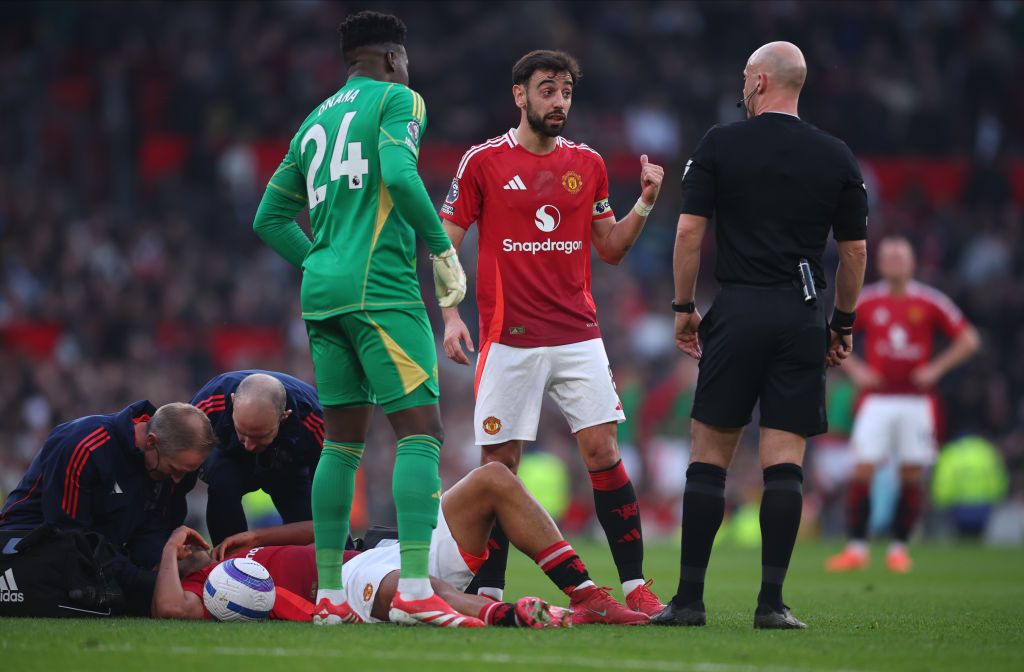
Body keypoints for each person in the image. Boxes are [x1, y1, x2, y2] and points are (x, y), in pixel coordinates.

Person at [251, 10, 468, 627]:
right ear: (394, 59)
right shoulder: (400, 99)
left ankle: (326, 598)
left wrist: (319, 259)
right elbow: (400, 174)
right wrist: (441, 248)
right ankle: (419, 589)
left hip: (322, 298)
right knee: (421, 432)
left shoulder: (313, 120)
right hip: (382, 289)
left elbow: (267, 218)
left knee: (342, 446)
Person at [438, 49, 667, 617]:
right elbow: (445, 242)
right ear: (519, 95)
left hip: (577, 335)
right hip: (507, 338)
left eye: (565, 91)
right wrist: (449, 315)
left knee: (602, 450)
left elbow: (610, 250)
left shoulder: (587, 164)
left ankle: (636, 584)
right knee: (499, 468)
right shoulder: (482, 162)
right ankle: (489, 592)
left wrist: (644, 202)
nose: (558, 101)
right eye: (547, 90)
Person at [655, 41, 868, 629]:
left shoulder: (721, 143)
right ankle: (771, 604)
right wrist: (841, 323)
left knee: (708, 460)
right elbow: (853, 251)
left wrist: (681, 307)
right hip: (800, 315)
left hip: (739, 309)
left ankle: (690, 601)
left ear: (758, 81)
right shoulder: (835, 155)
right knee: (784, 464)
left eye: (744, 76)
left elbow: (689, 234)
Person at [153, 463, 648, 626]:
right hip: (347, 585)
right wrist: (167, 549)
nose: (186, 541)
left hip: (375, 550)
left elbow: (326, 531)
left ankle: (588, 597)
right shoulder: (204, 586)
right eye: (178, 543)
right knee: (418, 588)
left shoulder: (232, 555)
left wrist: (259, 535)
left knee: (493, 478)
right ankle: (517, 616)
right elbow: (170, 609)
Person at [826, 236, 980, 572]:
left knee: (911, 475)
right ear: (879, 263)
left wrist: (936, 368)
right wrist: (856, 370)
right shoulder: (867, 300)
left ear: (912, 263)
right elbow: (831, 336)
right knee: (862, 470)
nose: (895, 261)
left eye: (901, 256)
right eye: (890, 256)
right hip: (876, 400)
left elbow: (970, 339)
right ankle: (856, 548)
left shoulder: (929, 301)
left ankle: (899, 548)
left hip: (916, 402)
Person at [0, 401, 216, 615]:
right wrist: (146, 581)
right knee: (140, 598)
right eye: (174, 469)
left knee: (188, 571)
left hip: (96, 556)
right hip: (27, 546)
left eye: (187, 472)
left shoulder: (163, 465)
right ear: (151, 442)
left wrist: (166, 564)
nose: (178, 480)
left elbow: (151, 531)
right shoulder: (85, 446)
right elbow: (69, 536)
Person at [190, 370, 324, 545]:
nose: (249, 446)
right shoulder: (208, 403)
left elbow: (329, 502)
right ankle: (228, 561)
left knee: (316, 523)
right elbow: (178, 465)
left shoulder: (314, 419)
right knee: (222, 481)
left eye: (260, 436)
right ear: (232, 402)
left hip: (288, 467)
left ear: (284, 417)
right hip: (229, 459)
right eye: (242, 432)